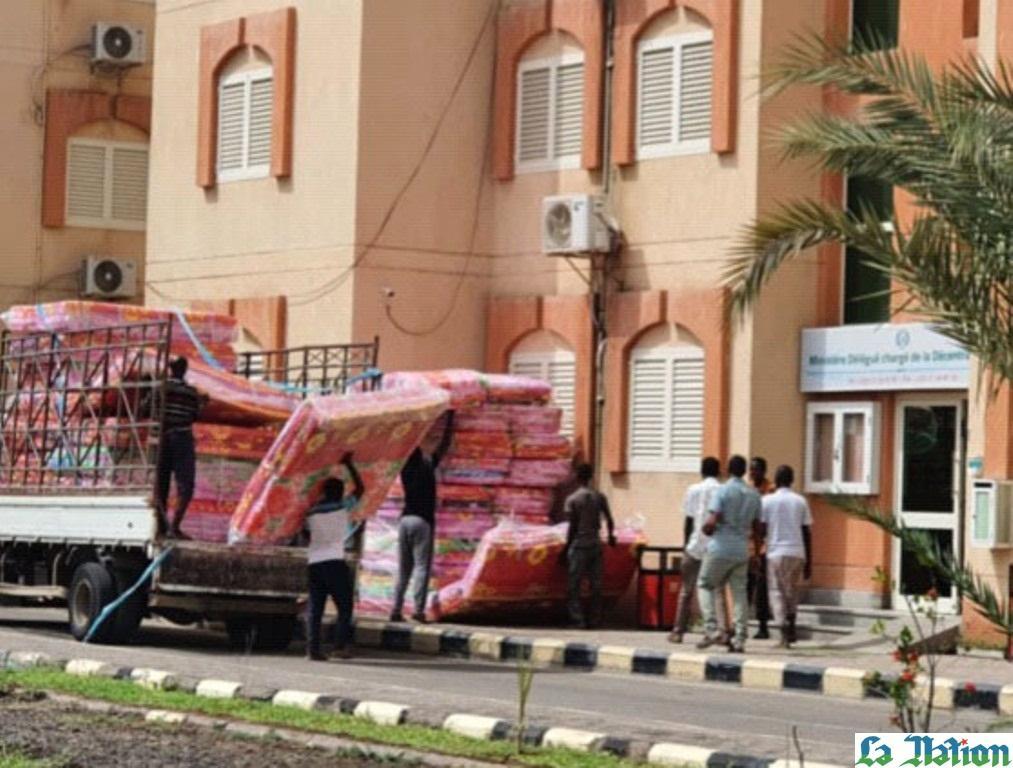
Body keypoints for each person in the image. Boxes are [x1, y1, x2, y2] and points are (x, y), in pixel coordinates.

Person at [391, 411, 455, 623]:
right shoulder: (429, 467)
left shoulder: (404, 471)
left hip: (404, 521)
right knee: (420, 568)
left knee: (403, 570)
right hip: (422, 522)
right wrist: (451, 418)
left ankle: (396, 609)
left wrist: (411, 422)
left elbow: (406, 446)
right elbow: (445, 444)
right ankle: (418, 610)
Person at [696, 455, 762, 653]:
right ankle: (740, 637)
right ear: (744, 471)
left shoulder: (723, 491)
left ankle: (711, 628)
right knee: (739, 592)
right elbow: (757, 528)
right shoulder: (754, 495)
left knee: (705, 584)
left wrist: (706, 529)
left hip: (720, 547)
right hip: (741, 549)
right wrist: (756, 553)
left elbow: (713, 519)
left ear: (728, 469)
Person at [304, 453, 364, 661]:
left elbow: (305, 534)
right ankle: (339, 647)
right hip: (334, 561)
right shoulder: (342, 507)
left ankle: (313, 649)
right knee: (345, 606)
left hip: (315, 562)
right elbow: (361, 489)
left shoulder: (312, 511)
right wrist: (349, 464)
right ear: (340, 493)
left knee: (316, 607)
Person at [669, 456, 722, 644]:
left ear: (702, 471)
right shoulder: (722, 491)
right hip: (715, 547)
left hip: (694, 545)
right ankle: (717, 630)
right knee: (715, 591)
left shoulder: (693, 489)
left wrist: (685, 545)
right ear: (719, 471)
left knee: (686, 591)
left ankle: (678, 631)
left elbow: (689, 521)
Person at [760, 465, 813, 647]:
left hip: (775, 552)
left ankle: (782, 632)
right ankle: (791, 628)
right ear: (792, 480)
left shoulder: (767, 501)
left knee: (776, 592)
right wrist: (809, 562)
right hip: (797, 552)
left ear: (775, 480)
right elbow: (806, 532)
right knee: (792, 592)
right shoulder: (800, 501)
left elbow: (761, 528)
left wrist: (760, 549)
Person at [561, 462, 616, 629]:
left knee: (574, 585)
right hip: (595, 545)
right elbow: (610, 520)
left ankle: (578, 619)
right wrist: (612, 536)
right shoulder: (599, 497)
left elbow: (572, 527)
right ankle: (595, 618)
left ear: (577, 477)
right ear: (591, 476)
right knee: (596, 585)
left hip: (579, 546)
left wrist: (565, 549)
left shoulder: (573, 499)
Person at [155, 357, 205, 539]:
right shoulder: (191, 393)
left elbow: (147, 408)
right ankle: (174, 526)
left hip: (162, 437)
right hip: (182, 437)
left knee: (161, 484)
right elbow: (194, 416)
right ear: (184, 370)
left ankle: (162, 526)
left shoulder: (160, 388)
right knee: (185, 485)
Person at [747, 456, 774, 640]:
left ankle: (763, 625)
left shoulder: (770, 490)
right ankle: (741, 623)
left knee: (762, 586)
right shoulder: (748, 489)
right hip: (748, 544)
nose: (753, 473)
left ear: (763, 471)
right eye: (751, 469)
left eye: (756, 469)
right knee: (746, 585)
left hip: (764, 544)